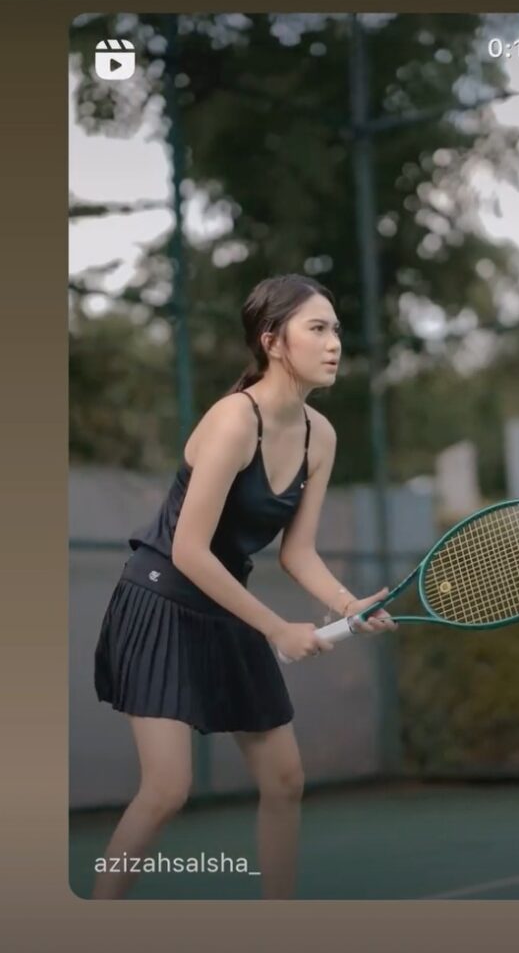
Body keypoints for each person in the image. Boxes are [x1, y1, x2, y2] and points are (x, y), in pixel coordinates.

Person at [92, 274, 396, 899]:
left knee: (285, 780)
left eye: (336, 330)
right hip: (161, 600)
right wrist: (278, 628)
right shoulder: (234, 420)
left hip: (226, 601)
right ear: (272, 341)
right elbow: (188, 550)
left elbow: (297, 551)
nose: (334, 343)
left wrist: (347, 604)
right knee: (166, 790)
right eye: (317, 328)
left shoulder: (320, 436)